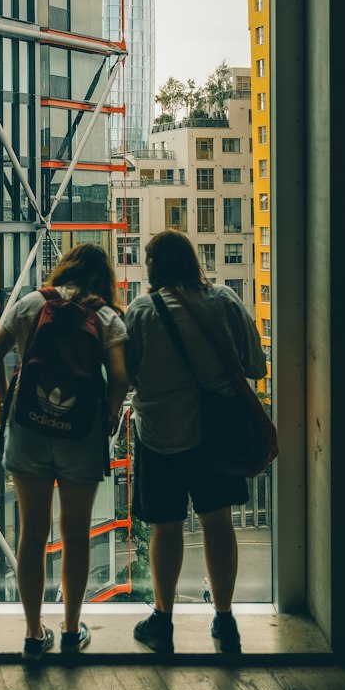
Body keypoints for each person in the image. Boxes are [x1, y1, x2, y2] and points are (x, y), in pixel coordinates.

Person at [124, 229, 267, 655]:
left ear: (153, 267)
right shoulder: (223, 301)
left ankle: (162, 622)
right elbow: (256, 365)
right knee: (218, 524)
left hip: (160, 436)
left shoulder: (141, 312)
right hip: (216, 436)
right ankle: (225, 622)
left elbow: (126, 377)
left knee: (165, 528)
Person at [0, 243, 128, 660]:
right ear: (104, 280)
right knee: (76, 533)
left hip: (29, 428)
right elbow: (119, 376)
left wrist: (5, 400)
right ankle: (69, 630)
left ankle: (33, 634)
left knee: (32, 533)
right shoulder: (104, 317)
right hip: (80, 434)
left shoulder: (32, 302)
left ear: (65, 268)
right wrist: (111, 413)